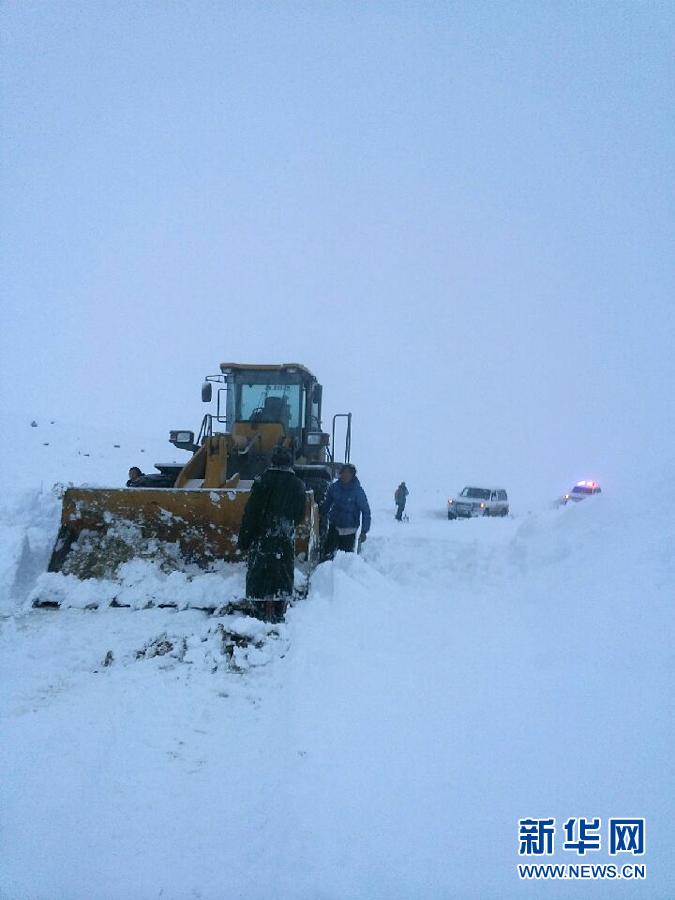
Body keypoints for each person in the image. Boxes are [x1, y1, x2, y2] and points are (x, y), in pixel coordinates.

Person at [237, 445, 307, 622]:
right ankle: (280, 607)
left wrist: (244, 539)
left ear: (272, 461)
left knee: (262, 569)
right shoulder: (298, 484)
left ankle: (262, 608)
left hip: (262, 534)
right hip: (284, 534)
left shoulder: (262, 481)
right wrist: (286, 524)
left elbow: (251, 512)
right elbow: (300, 514)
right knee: (282, 569)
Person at [321, 463, 371, 556]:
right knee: (327, 555)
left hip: (349, 530)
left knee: (345, 558)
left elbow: (366, 511)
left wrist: (364, 531)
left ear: (352, 475)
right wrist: (321, 514)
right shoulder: (334, 487)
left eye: (348, 474)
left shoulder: (358, 491)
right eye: (343, 473)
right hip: (334, 527)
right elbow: (327, 503)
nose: (345, 475)